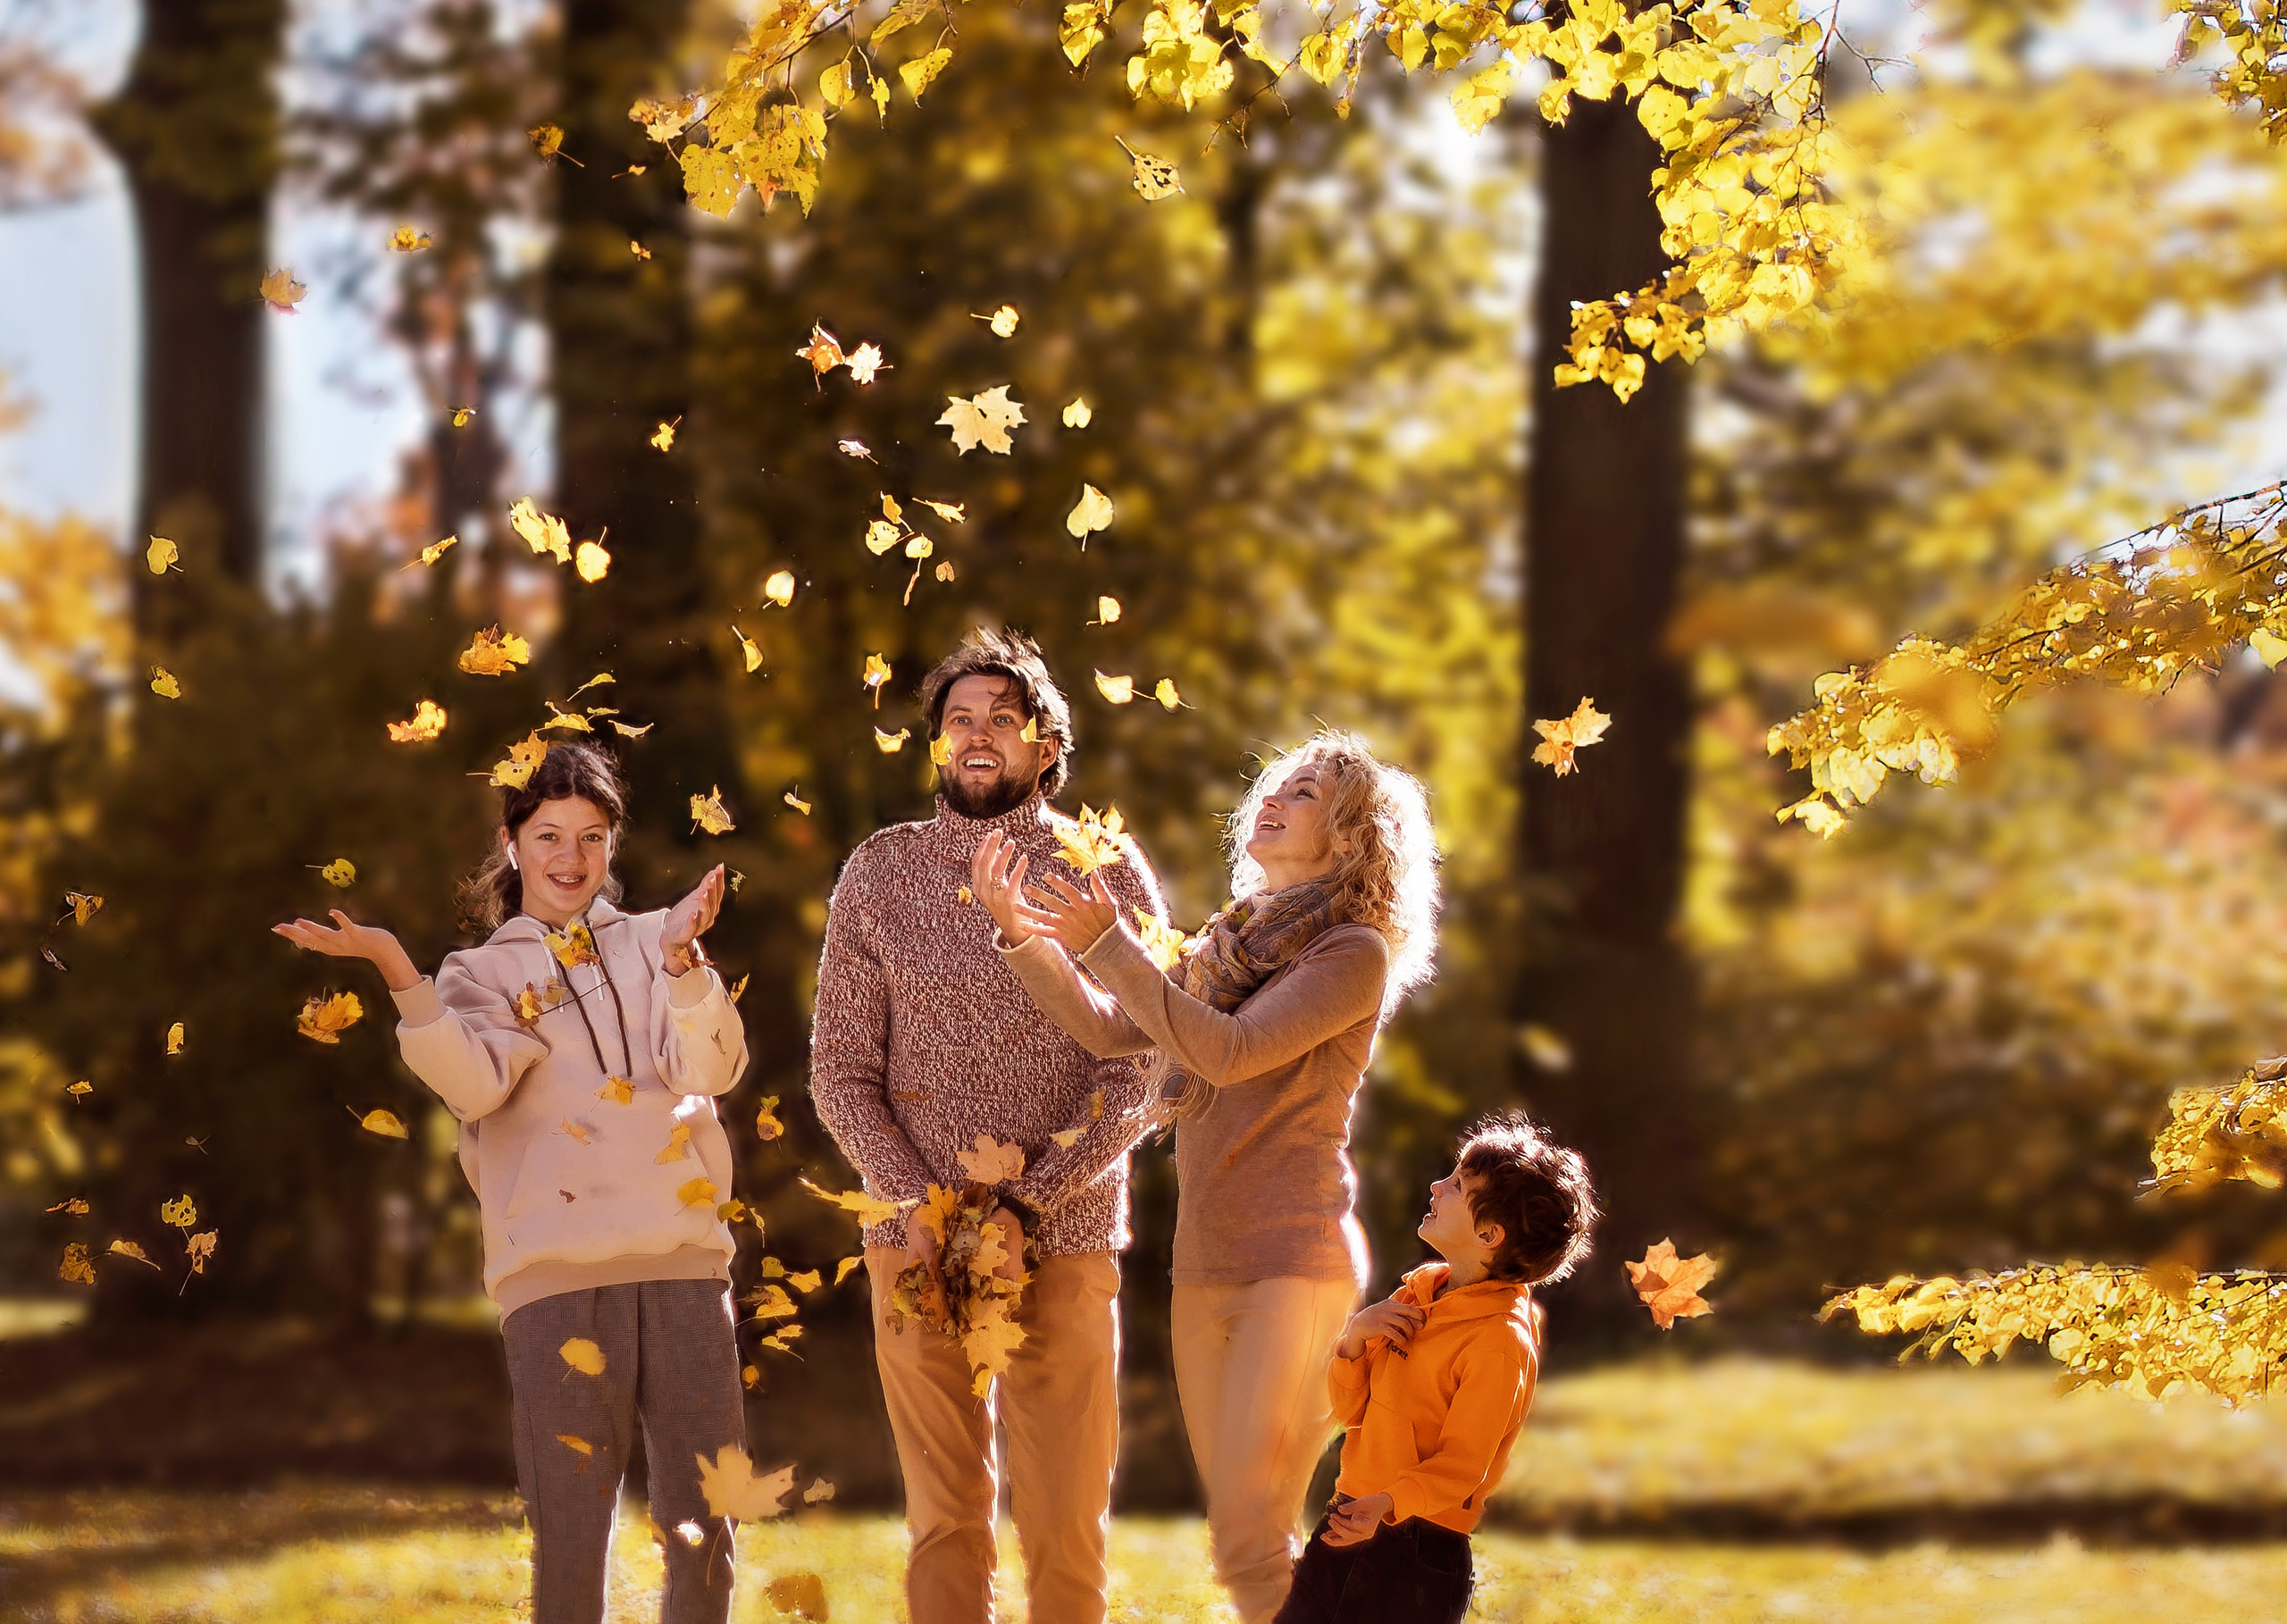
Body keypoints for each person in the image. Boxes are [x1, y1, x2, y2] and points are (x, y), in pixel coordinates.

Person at [272, 741, 750, 1624]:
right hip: (556, 1290)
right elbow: (473, 1085)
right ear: (512, 842)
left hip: (685, 1270)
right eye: (549, 836)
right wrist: (392, 966)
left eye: (592, 838)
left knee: (707, 1535)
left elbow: (712, 1068)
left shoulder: (658, 940)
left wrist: (684, 965)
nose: (570, 859)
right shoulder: (478, 974)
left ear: (613, 846)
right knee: (569, 1544)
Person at [972, 731, 1440, 1624]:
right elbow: (1118, 1030)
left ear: (1347, 841)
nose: (1274, 799)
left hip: (1295, 1262)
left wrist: (1110, 940)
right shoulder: (1231, 945)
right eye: (1275, 785)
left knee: (1247, 1535)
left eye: (1304, 794)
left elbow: (1223, 1053)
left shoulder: (1351, 952)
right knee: (1245, 1548)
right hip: (1205, 1262)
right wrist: (1023, 937)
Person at [809, 628, 1167, 1624]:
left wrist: (1026, 1203)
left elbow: (1141, 1063)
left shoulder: (1102, 868)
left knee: (1063, 1522)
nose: (978, 737)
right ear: (935, 745)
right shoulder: (880, 872)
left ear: (1044, 747)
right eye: (959, 721)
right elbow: (841, 1070)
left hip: (1067, 1237)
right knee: (946, 1520)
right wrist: (919, 1201)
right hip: (911, 1239)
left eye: (1001, 721)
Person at [1276, 1114, 1598, 1624]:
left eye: (1456, 1186)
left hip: (1417, 1550)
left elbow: (1462, 1467)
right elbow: (1350, 1411)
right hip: (1349, 1513)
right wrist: (1355, 1340)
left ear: (1489, 1234)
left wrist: (1388, 1503)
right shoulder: (1419, 1294)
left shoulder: (1498, 1344)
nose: (1435, 1186)